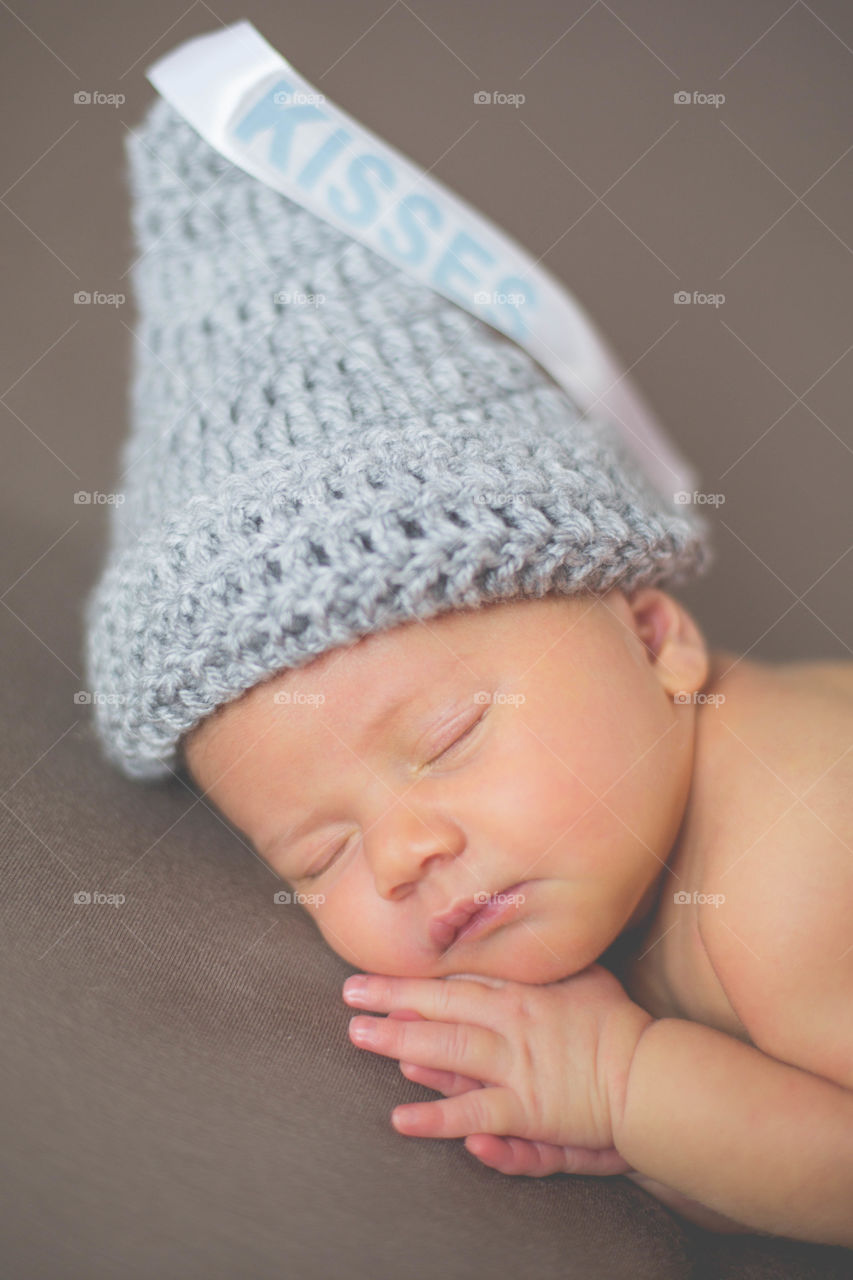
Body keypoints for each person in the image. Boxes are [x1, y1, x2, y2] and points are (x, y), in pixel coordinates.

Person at [83, 97, 853, 1246]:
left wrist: (631, 1087)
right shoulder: (651, 841)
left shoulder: (798, 869)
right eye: (320, 852)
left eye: (448, 737)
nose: (400, 855)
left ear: (655, 640)